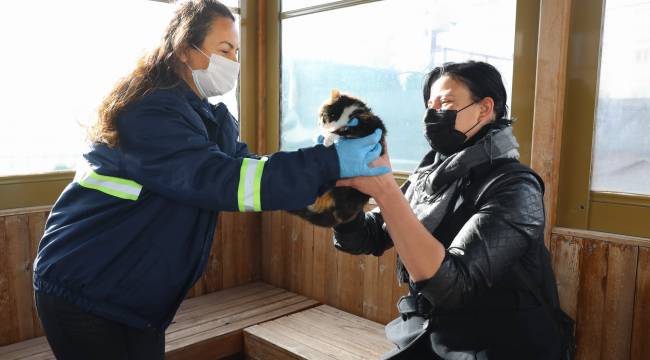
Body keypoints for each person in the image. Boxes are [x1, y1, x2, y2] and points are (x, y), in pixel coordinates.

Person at [32, 1, 387, 359]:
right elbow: (221, 180)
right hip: (85, 288)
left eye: (235, 51)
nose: (233, 60)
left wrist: (331, 193)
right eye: (224, 50)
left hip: (131, 294)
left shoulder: (209, 120)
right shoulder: (148, 112)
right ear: (186, 50)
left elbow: (252, 171)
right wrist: (327, 161)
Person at [334, 61, 567, 359]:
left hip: (498, 345)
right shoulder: (430, 175)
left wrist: (385, 190)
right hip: (429, 334)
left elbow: (454, 287)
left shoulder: (515, 187)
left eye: (445, 103)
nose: (432, 115)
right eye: (429, 106)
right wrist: (343, 195)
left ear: (484, 108)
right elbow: (368, 238)